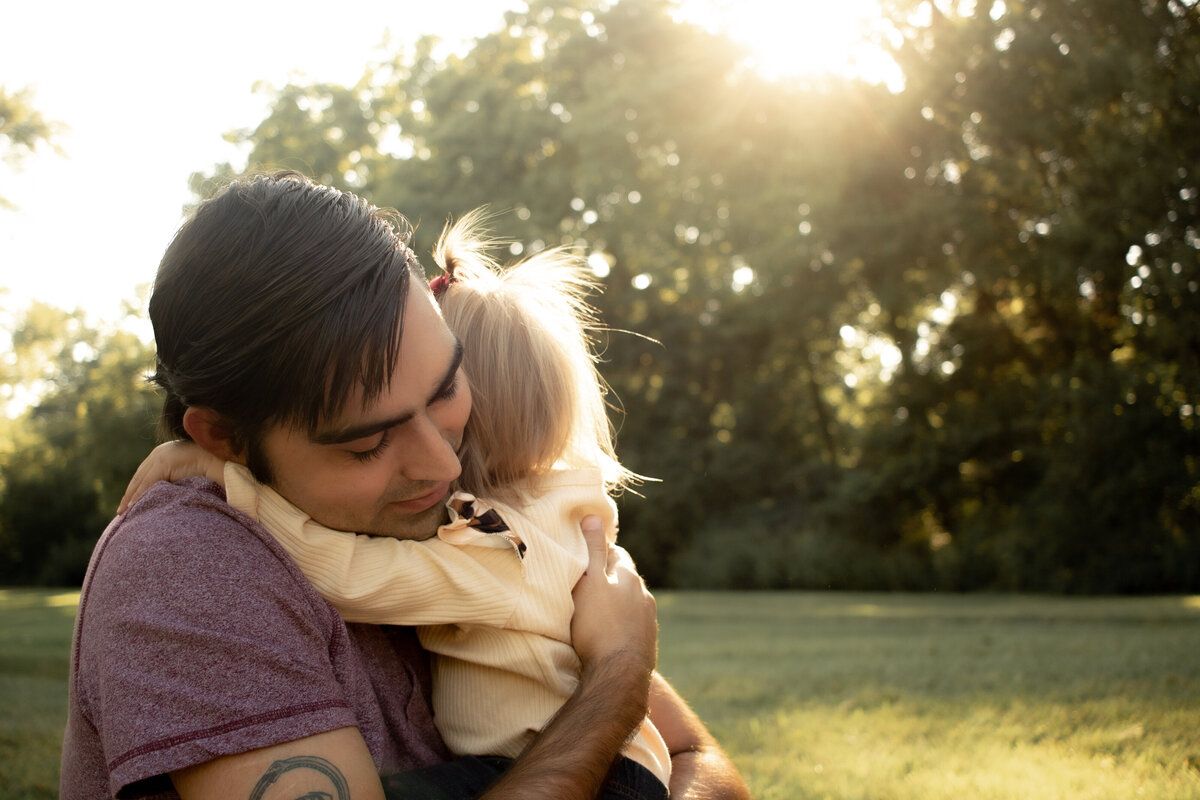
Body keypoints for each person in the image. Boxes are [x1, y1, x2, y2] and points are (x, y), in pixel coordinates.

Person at [60, 171, 751, 800]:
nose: (443, 467)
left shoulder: (445, 523)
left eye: (448, 388)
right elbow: (654, 740)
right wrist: (618, 673)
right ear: (222, 438)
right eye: (367, 443)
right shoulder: (190, 565)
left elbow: (702, 763)